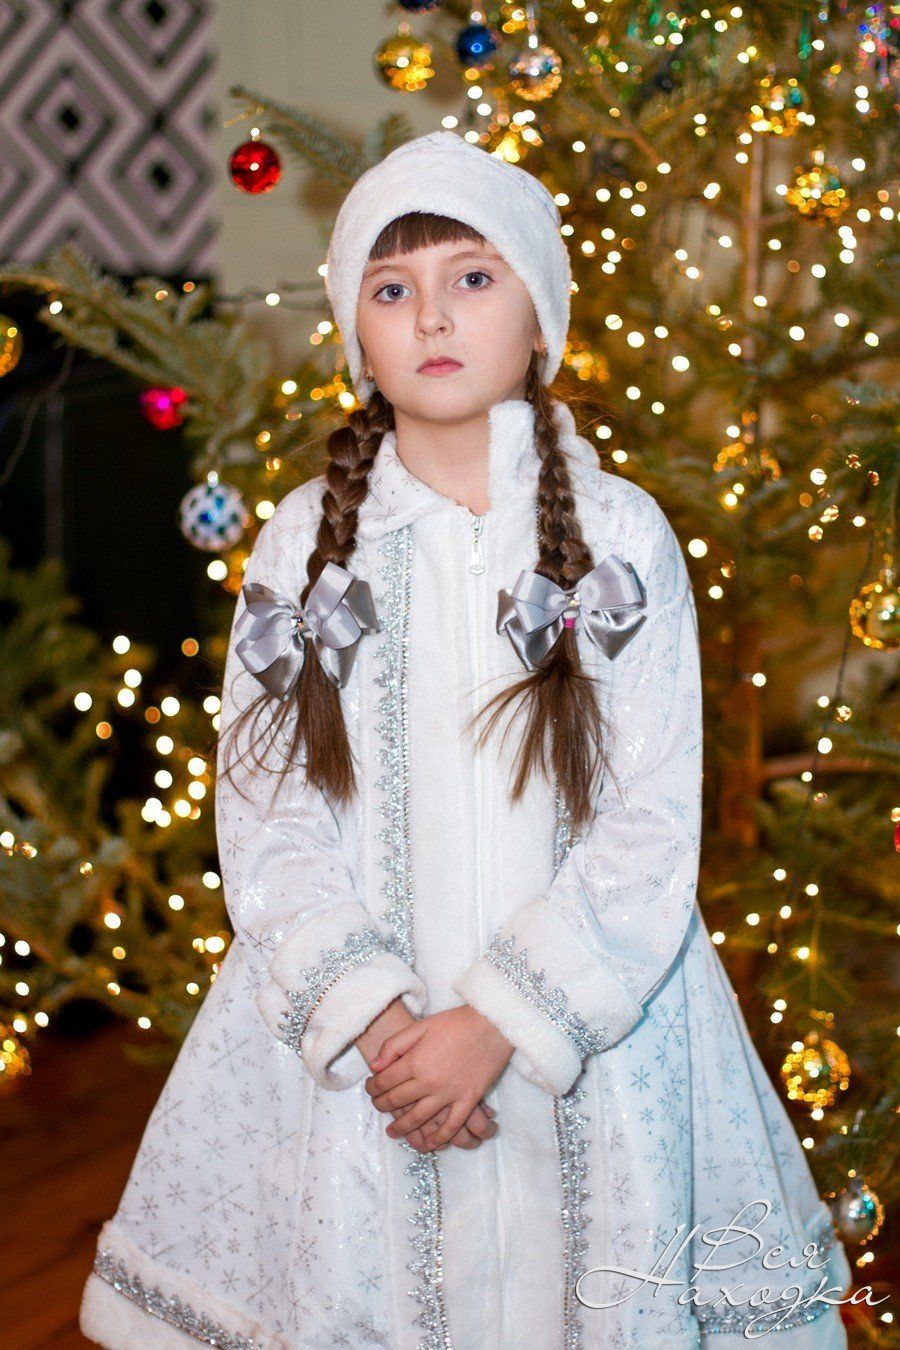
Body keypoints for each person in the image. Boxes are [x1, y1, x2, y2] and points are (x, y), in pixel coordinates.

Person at [79, 130, 852, 1349]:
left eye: (473, 278)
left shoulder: (621, 540)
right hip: (359, 1072)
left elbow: (653, 820)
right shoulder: (301, 547)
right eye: (392, 290)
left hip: (592, 1048)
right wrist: (382, 1026)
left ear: (539, 318)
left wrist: (497, 1023)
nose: (433, 315)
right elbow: (267, 811)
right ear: (357, 332)